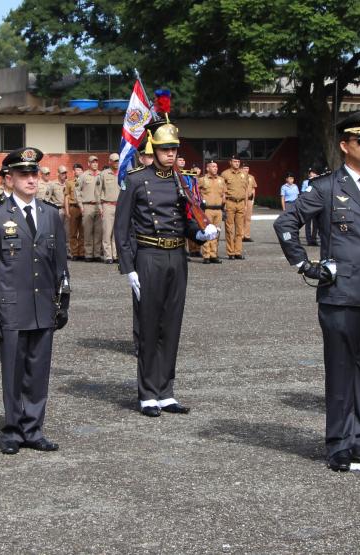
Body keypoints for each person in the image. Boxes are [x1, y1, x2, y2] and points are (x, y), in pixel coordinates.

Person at [274, 110, 360, 472]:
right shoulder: (327, 187)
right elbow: (287, 222)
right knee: (341, 371)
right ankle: (338, 444)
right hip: (341, 296)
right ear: (345, 145)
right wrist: (305, 265)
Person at [114, 118, 218, 416]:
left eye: (174, 148)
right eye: (164, 149)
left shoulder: (181, 180)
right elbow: (121, 228)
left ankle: (166, 391)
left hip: (177, 257)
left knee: (172, 325)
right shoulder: (135, 179)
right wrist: (128, 268)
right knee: (149, 326)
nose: (170, 154)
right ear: (153, 149)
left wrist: (198, 233)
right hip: (148, 256)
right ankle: (147, 392)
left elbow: (184, 220)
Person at [0, 147, 70, 455]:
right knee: (14, 371)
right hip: (11, 307)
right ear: (9, 178)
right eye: (24, 174)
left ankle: (34, 428)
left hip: (43, 305)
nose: (31, 180)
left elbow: (60, 264)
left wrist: (63, 300)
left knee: (39, 370)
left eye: (35, 174)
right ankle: (13, 430)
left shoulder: (50, 214)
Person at [76, 155, 103, 261]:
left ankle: (96, 254)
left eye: (96, 162)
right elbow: (77, 191)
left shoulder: (102, 175)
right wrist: (80, 205)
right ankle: (88, 254)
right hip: (87, 206)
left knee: (98, 231)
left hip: (99, 206)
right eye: (92, 162)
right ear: (88, 164)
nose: (95, 164)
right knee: (87, 231)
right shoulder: (83, 176)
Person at [221, 155, 248, 260]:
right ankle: (230, 252)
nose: (237, 163)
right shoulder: (225, 174)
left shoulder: (244, 174)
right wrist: (223, 204)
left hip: (241, 203)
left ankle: (238, 252)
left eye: (238, 161)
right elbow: (222, 190)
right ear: (230, 162)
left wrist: (245, 205)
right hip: (230, 203)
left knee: (240, 229)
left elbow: (245, 190)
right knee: (229, 229)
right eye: (235, 161)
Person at [198, 160, 225, 264]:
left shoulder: (221, 180)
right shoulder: (202, 180)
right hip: (207, 209)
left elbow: (223, 194)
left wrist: (224, 208)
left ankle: (214, 254)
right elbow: (195, 192)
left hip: (218, 210)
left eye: (216, 166)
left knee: (216, 233)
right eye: (213, 166)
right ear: (207, 168)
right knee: (207, 232)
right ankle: (206, 255)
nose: (215, 168)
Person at [97, 153, 122, 264]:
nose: (116, 163)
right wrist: (100, 207)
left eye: (118, 161)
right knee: (107, 232)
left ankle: (115, 255)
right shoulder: (103, 174)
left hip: (120, 206)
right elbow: (97, 192)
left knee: (117, 232)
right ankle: (108, 256)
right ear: (109, 162)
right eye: (114, 161)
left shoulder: (123, 173)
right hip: (107, 205)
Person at [64, 163, 85, 260]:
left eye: (80, 170)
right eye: (77, 170)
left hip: (84, 208)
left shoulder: (86, 181)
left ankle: (82, 252)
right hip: (73, 207)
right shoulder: (69, 182)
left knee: (83, 232)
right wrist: (67, 211)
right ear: (73, 171)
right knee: (73, 232)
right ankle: (74, 253)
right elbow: (67, 197)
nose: (78, 171)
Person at [300, 167, 321, 246]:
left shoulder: (319, 181)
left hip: (316, 205)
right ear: (309, 174)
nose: (313, 174)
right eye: (312, 172)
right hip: (308, 204)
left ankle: (314, 239)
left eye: (315, 172)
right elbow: (303, 193)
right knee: (308, 224)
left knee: (316, 224)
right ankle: (309, 240)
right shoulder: (306, 182)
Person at [241, 164, 258, 242]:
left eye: (247, 168)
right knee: (241, 218)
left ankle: (247, 235)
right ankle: (240, 235)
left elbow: (254, 189)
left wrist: (253, 199)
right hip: (241, 200)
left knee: (248, 218)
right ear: (242, 169)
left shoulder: (251, 177)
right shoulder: (239, 177)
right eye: (244, 168)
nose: (246, 169)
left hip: (249, 200)